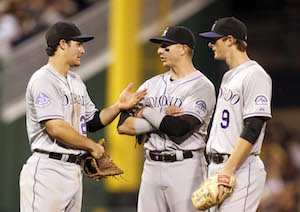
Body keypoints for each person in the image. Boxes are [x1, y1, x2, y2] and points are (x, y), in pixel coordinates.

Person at [19, 21, 147, 212]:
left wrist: (118, 107)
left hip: (73, 171)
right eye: (78, 44)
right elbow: (55, 128)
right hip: (48, 170)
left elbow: (93, 122)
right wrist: (92, 146)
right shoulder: (43, 79)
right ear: (63, 44)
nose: (82, 50)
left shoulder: (76, 81)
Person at [117, 26, 216, 212]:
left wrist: (146, 111)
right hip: (151, 167)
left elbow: (178, 128)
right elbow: (123, 126)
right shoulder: (151, 84)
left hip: (186, 166)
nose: (159, 51)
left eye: (165, 46)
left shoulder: (201, 86)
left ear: (183, 49)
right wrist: (161, 115)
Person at [198, 17, 272, 211]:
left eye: (215, 39)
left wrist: (228, 170)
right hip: (218, 167)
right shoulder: (229, 76)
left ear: (230, 40)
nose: (210, 44)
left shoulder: (255, 74)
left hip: (239, 168)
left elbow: (254, 126)